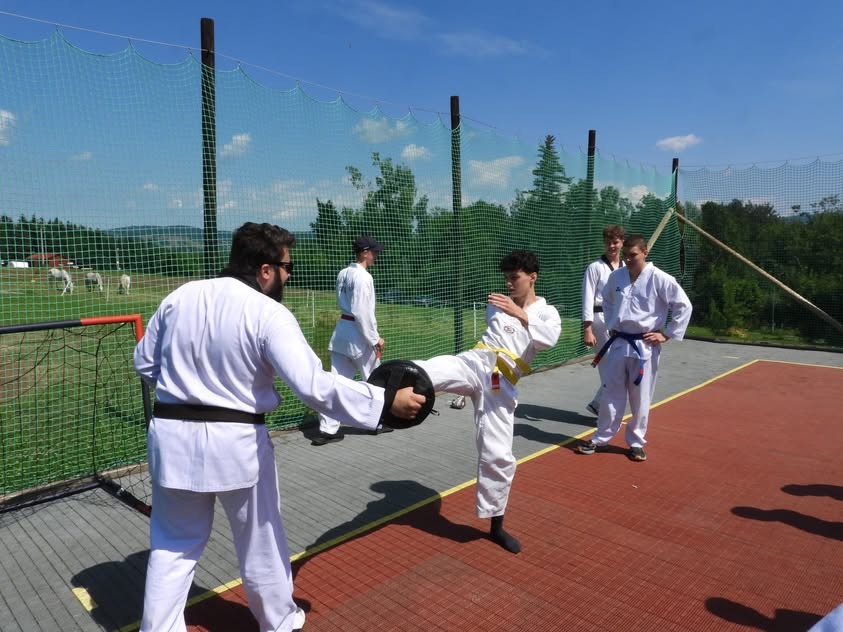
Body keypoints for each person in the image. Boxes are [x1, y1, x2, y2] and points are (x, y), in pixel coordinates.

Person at [133, 222, 425, 632]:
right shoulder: (267, 312)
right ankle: (279, 622)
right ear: (265, 269)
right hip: (236, 442)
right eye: (288, 267)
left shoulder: (179, 297)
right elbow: (313, 385)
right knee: (260, 540)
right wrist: (383, 401)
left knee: (172, 547)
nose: (289, 276)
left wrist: (186, 391)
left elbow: (144, 363)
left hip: (171, 437)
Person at [415, 250, 561, 554]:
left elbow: (548, 340)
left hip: (502, 382)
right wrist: (510, 309)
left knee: (498, 454)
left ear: (532, 277)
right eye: (506, 278)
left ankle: (496, 526)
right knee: (430, 369)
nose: (508, 283)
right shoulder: (496, 305)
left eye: (514, 277)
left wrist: (520, 313)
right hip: (477, 362)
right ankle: (375, 393)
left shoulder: (547, 313)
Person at [577, 234, 692, 462]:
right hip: (619, 341)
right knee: (611, 392)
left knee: (640, 396)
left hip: (645, 344)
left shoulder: (660, 278)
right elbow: (607, 300)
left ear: (645, 252)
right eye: (626, 255)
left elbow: (683, 306)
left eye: (633, 255)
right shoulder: (616, 276)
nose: (628, 259)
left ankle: (636, 442)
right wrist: (611, 323)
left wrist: (666, 334)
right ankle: (601, 438)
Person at [313, 235, 390, 445]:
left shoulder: (343, 273)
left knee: (335, 382)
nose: (376, 256)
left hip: (342, 332)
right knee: (376, 380)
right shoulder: (364, 277)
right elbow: (361, 312)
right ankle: (377, 422)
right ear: (364, 253)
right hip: (358, 334)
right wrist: (374, 338)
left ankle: (327, 429)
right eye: (374, 252)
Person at [581, 224, 625, 416]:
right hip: (599, 320)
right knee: (610, 367)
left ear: (622, 243)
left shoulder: (626, 267)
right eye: (608, 242)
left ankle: (599, 405)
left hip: (620, 321)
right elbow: (587, 297)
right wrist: (587, 329)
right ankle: (606, 411)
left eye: (615, 242)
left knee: (620, 366)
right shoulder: (595, 267)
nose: (611, 246)